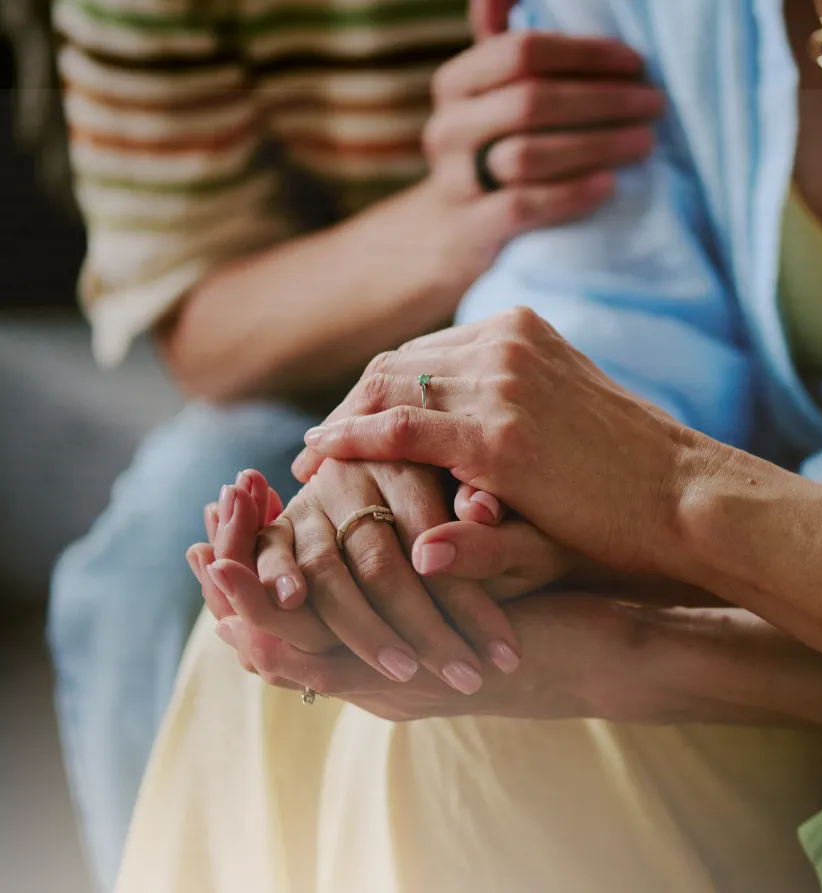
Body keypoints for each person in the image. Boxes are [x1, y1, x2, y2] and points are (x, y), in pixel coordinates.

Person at [122, 0, 822, 891]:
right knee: (299, 660)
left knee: (477, 727)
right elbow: (587, 305)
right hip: (775, 554)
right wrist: (444, 498)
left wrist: (626, 534)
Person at [45, 0, 664, 886]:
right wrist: (452, 220)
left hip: (616, 313)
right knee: (140, 580)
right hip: (330, 356)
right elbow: (202, 326)